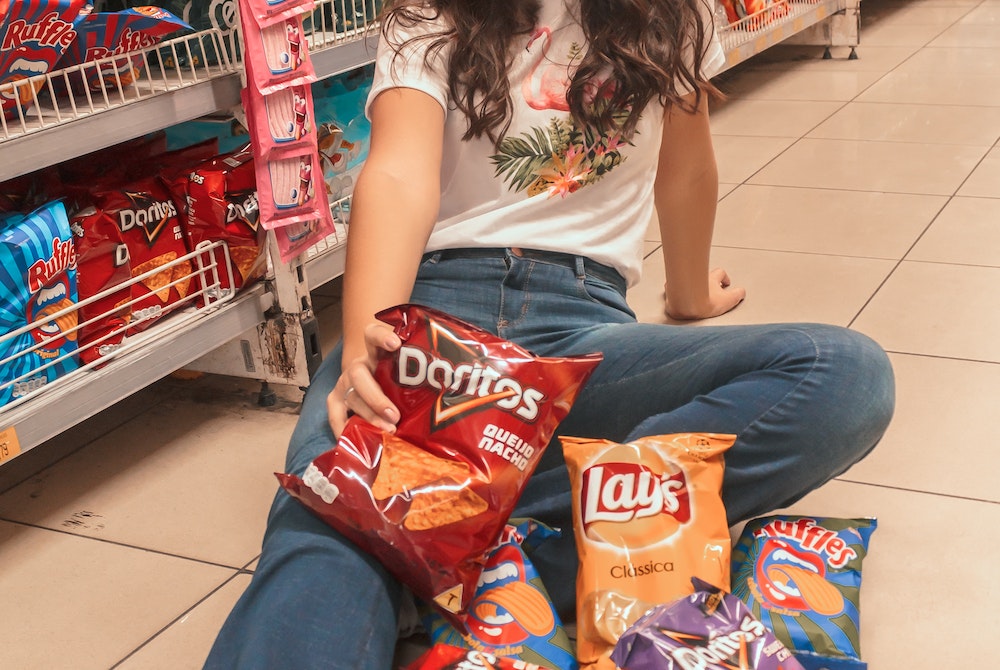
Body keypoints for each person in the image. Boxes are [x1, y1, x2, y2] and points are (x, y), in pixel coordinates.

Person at [205, 0, 895, 667]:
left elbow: (685, 168)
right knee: (327, 524)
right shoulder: (430, 12)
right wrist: (370, 341)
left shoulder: (678, 11)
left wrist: (689, 295)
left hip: (584, 334)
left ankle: (440, 527)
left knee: (844, 374)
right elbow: (397, 172)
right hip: (432, 326)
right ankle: (553, 537)